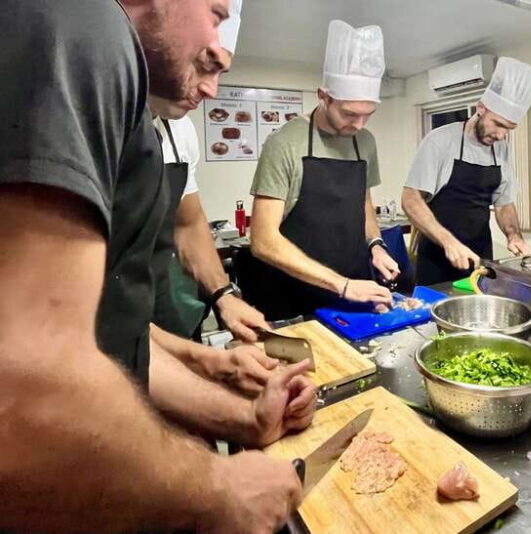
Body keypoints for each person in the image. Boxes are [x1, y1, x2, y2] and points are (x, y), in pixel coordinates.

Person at [0, 1, 313, 531]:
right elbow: (25, 391)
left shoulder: (140, 110)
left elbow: (112, 340)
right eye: (215, 14)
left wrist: (245, 419)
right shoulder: (82, 24)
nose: (212, 88)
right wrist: (219, 489)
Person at [247, 20, 399, 320]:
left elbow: (364, 204)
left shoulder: (364, 142)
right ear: (324, 96)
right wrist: (341, 285)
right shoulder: (284, 143)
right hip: (293, 295)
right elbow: (262, 240)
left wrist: (376, 245)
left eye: (368, 115)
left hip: (355, 288)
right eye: (350, 113)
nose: (359, 125)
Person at [150, 0, 270, 344]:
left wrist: (223, 295)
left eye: (219, 73)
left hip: (170, 317)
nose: (210, 89)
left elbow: (188, 224)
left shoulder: (181, 131)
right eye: (204, 65)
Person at [402, 57, 531, 285]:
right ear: (481, 108)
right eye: (498, 124)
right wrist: (448, 242)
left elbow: (504, 203)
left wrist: (513, 235)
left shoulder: (501, 148)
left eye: (508, 129)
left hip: (480, 256)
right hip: (437, 258)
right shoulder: (440, 141)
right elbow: (411, 200)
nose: (500, 135)